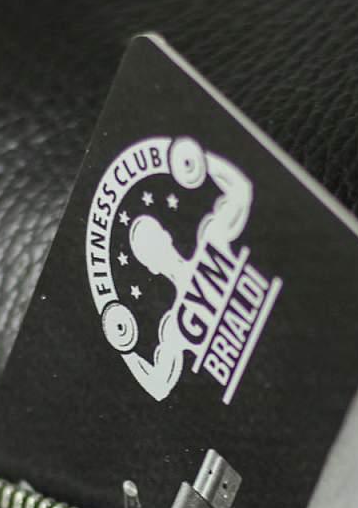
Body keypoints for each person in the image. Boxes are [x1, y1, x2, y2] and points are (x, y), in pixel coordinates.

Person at [103, 137, 253, 401]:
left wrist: (199, 164)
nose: (157, 249)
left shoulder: (213, 238)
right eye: (148, 250)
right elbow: (159, 386)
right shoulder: (173, 326)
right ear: (148, 266)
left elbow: (241, 191)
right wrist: (126, 348)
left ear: (167, 235)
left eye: (155, 238)